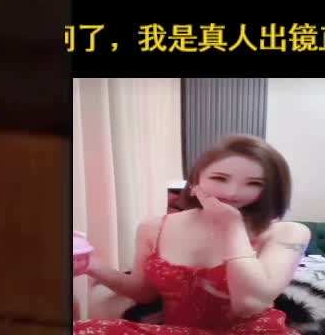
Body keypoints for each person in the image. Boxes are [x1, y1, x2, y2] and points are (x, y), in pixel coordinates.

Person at [77, 134, 313, 333]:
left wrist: (232, 227)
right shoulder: (154, 228)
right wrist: (93, 266)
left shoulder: (287, 232)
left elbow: (250, 304)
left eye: (254, 183)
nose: (232, 192)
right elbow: (144, 293)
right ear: (196, 179)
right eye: (219, 178)